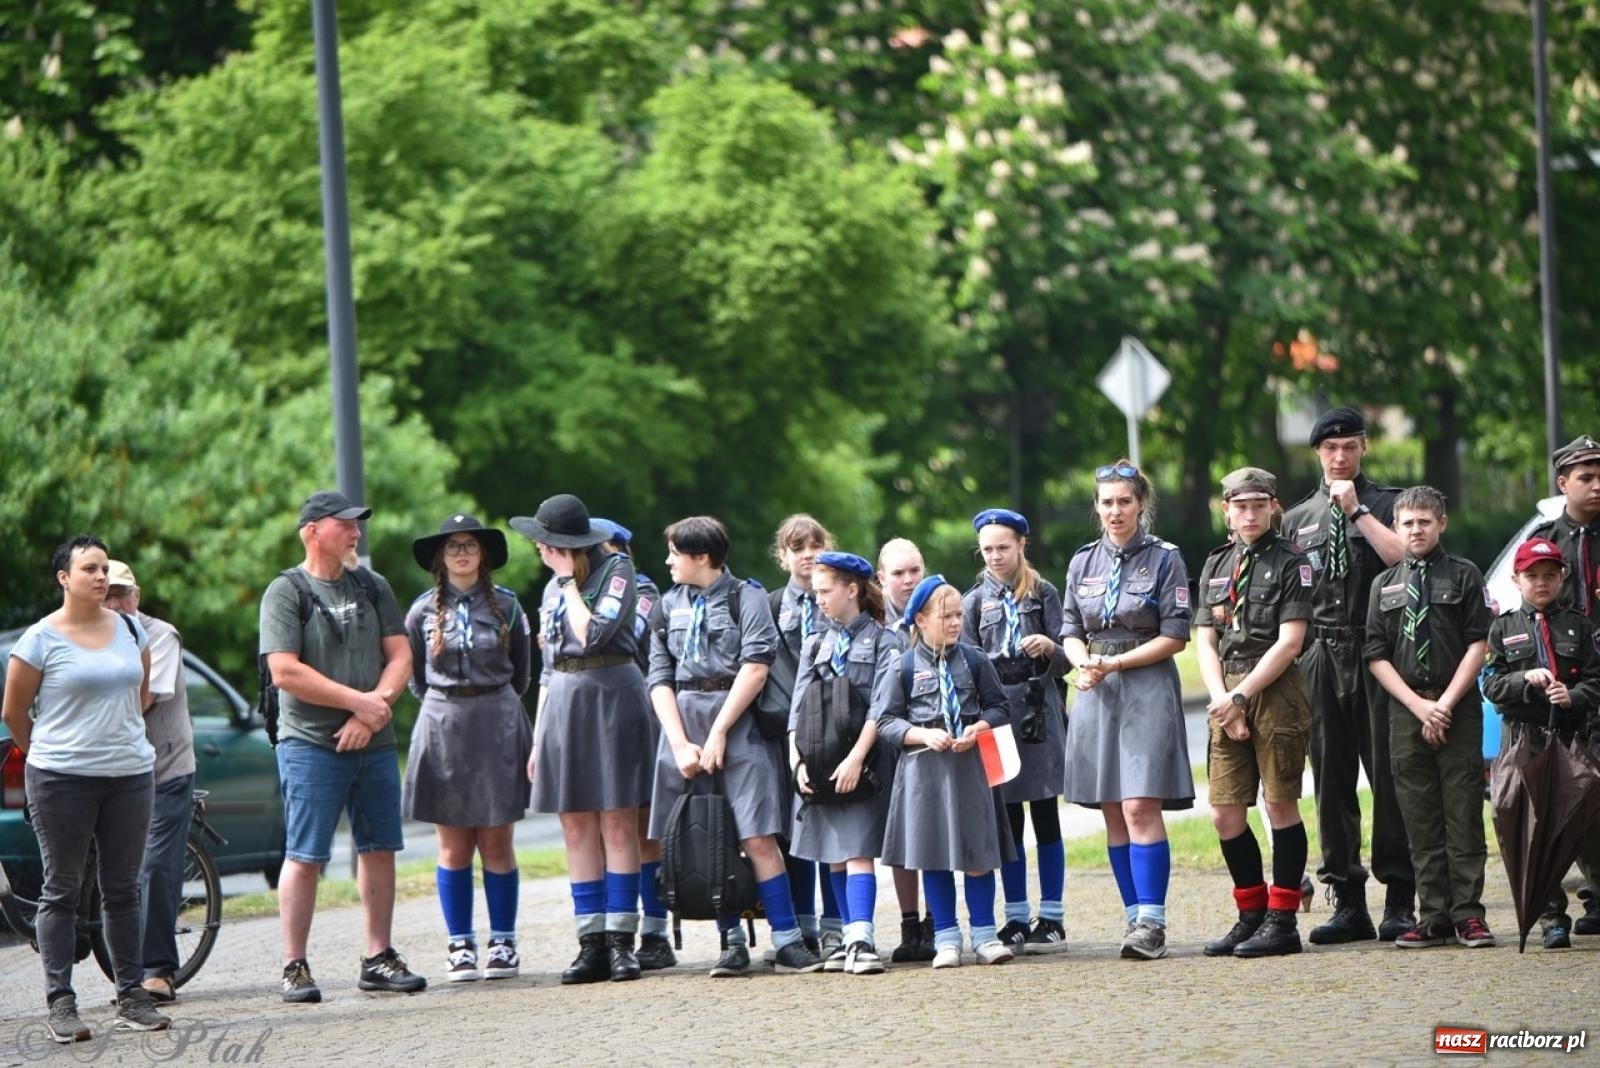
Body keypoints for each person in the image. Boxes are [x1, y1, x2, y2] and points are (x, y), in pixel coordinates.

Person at [2, 536, 168, 1040]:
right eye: (90, 569)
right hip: (60, 779)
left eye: (104, 570)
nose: (101, 577)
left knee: (121, 888)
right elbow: (13, 713)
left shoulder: (130, 629)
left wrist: (113, 739)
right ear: (64, 578)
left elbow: (140, 696)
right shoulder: (40, 639)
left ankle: (131, 996)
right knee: (63, 888)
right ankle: (61, 1002)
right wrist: (52, 756)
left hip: (129, 775)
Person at [260, 490, 423, 1003]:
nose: (356, 532)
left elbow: (401, 655)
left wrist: (371, 709)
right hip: (310, 743)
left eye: (357, 524)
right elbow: (284, 671)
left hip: (372, 740)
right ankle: (294, 966)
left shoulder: (373, 586)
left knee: (379, 848)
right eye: (345, 524)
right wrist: (363, 704)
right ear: (312, 531)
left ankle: (378, 956)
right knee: (305, 855)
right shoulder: (286, 592)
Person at [645, 515, 824, 977]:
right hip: (684, 725)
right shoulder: (665, 607)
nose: (667, 561)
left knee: (757, 834)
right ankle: (730, 941)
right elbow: (659, 678)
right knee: (707, 834)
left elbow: (756, 666)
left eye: (674, 553)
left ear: (701, 557)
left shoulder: (747, 598)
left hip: (738, 723)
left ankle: (786, 939)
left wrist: (720, 730)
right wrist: (680, 742)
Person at [1280, 406, 1414, 943]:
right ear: (1317, 453)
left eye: (1350, 446)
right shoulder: (1297, 517)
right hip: (1319, 653)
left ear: (1363, 449)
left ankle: (1400, 898)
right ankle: (1347, 899)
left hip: (1377, 651)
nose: (1340, 456)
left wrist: (1358, 512)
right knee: (1331, 780)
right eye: (1331, 449)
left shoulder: (1389, 505)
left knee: (1388, 777)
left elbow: (1406, 560)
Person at [515, 494, 655, 984]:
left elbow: (593, 633)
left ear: (565, 543)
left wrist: (566, 582)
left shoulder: (616, 571)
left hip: (612, 696)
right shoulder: (552, 587)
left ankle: (622, 942)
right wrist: (538, 739)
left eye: (545, 543)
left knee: (617, 821)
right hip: (565, 704)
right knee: (574, 824)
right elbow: (549, 668)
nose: (539, 549)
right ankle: (589, 942)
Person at [1059, 463, 1193, 960]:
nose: (1115, 511)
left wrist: (1113, 662)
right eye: (1106, 502)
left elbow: (1175, 635)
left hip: (1145, 682)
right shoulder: (1082, 563)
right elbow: (1070, 628)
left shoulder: (1165, 559)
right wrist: (1082, 664)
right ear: (1096, 507)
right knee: (1112, 807)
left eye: (1124, 501)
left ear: (1141, 504)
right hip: (1097, 686)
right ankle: (1134, 916)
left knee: (1140, 804)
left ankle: (1154, 922)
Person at [402, 514, 533, 983]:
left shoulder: (509, 607)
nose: (461, 553)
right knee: (453, 844)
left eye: (470, 546)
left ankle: (503, 942)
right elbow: (414, 676)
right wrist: (449, 704)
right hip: (444, 725)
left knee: (497, 841)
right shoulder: (419, 612)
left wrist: (490, 702)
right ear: (440, 556)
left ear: (483, 555)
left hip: (496, 721)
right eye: (453, 546)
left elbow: (522, 673)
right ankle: (460, 944)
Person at [1364, 487, 1494, 948]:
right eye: (1407, 523)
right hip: (1406, 710)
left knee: (1462, 812)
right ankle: (1433, 914)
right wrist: (1419, 706)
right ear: (1396, 527)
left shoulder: (1463, 575)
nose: (1416, 530)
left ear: (1442, 524)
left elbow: (1479, 643)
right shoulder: (1385, 585)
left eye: (1424, 521)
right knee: (1417, 816)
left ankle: (1469, 914)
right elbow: (1376, 656)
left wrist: (1445, 704)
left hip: (1456, 706)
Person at [1195, 468, 1314, 958]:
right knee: (1224, 811)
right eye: (1239, 506)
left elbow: (1291, 642)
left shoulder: (1293, 562)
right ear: (1226, 510)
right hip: (1228, 691)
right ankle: (1251, 913)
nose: (1249, 514)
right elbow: (1205, 639)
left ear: (1273, 507)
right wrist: (1223, 699)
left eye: (1258, 505)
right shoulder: (1217, 563)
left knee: (1279, 804)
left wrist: (1241, 696)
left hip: (1275, 688)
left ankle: (1283, 920)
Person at [879, 575, 1016, 969]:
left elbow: (999, 707)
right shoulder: (903, 666)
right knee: (934, 855)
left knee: (977, 853)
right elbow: (887, 722)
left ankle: (986, 935)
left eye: (959, 615)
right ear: (919, 620)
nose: (956, 622)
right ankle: (946, 938)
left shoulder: (975, 660)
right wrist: (921, 733)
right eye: (946, 616)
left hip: (969, 769)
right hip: (924, 776)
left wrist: (980, 727)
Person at [1483, 535, 1600, 949]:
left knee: (1585, 822)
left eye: (1550, 574)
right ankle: (1551, 917)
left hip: (1574, 740)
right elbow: (1492, 685)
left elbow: (1596, 680)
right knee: (1532, 827)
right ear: (1517, 579)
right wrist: (1522, 680)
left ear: (1563, 577)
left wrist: (1575, 696)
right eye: (1532, 575)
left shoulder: (1581, 627)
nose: (1542, 583)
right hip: (1524, 741)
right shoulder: (1503, 628)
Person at [962, 508, 1070, 954]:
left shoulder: (1042, 594)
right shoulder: (971, 602)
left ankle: (1053, 916)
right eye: (987, 549)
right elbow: (964, 665)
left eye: (1003, 547)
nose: (995, 556)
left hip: (1037, 709)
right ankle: (1016, 915)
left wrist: (1050, 647)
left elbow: (1071, 655)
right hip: (997, 713)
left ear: (1022, 544)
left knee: (1045, 814)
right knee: (1007, 819)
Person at [788, 551, 899, 975]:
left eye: (825, 591)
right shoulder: (816, 642)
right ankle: (848, 936)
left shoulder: (885, 640)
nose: (818, 599)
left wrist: (855, 759)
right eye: (815, 592)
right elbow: (797, 710)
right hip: (817, 764)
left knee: (856, 852)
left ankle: (862, 939)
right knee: (834, 854)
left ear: (851, 590)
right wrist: (797, 763)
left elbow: (881, 708)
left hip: (863, 762)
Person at [102, 561, 195, 1005]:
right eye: (108, 596)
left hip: (164, 770)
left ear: (138, 596)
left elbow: (142, 701)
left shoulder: (160, 635)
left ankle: (158, 969)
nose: (116, 604)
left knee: (154, 866)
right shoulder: (84, 637)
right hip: (108, 770)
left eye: (124, 594)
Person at [593, 518, 677, 971]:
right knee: (612, 829)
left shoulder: (643, 593)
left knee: (646, 828)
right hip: (605, 714)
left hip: (644, 711)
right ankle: (612, 928)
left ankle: (656, 932)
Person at [1527, 433, 1600, 940]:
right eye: (1587, 478)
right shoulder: (1547, 540)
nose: (1597, 486)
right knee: (1577, 790)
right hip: (1569, 687)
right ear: (1563, 482)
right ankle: (1584, 894)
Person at [764, 515, 842, 955]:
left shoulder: (840, 597)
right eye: (797, 547)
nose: (808, 554)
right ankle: (802, 924)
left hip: (834, 727)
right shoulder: (772, 605)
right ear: (784, 556)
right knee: (793, 828)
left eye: (815, 545)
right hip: (787, 731)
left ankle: (835, 925)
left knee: (832, 823)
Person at [875, 537, 932, 961]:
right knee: (899, 837)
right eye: (898, 573)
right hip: (890, 744)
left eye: (914, 570)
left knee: (932, 832)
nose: (908, 580)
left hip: (934, 745)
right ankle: (909, 924)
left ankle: (937, 921)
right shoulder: (873, 625)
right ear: (881, 580)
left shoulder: (943, 614)